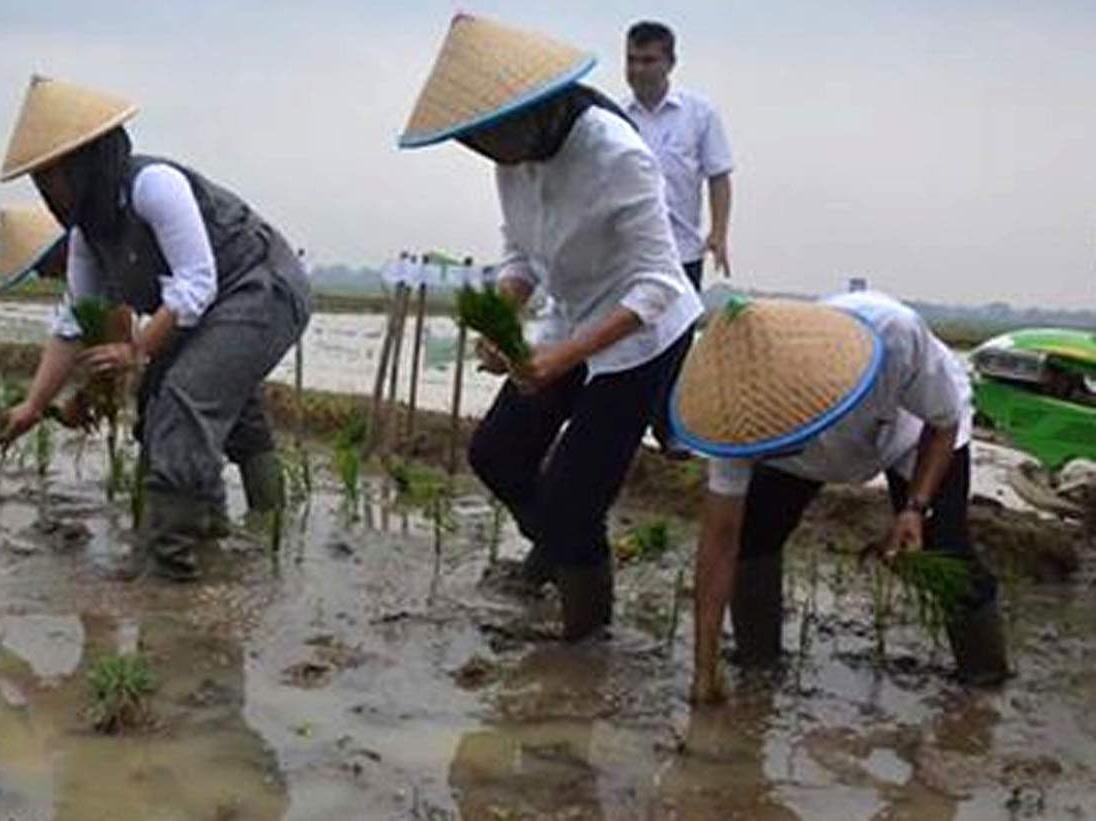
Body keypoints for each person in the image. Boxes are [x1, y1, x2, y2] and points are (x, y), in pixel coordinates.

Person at [399, 14, 702, 640]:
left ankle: (585, 638)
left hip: (642, 338)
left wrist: (564, 358)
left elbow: (659, 285)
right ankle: (561, 550)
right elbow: (523, 255)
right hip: (572, 317)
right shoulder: (514, 157)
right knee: (498, 454)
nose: (486, 152)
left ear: (535, 111)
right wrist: (504, 315)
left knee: (573, 501)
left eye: (490, 139)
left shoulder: (619, 157)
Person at [0, 76, 311, 581]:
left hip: (259, 286)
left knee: (186, 398)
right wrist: (33, 405)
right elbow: (76, 320)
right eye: (40, 181)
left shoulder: (153, 185)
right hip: (204, 310)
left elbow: (196, 281)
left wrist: (136, 350)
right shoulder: (88, 236)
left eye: (53, 177)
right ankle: (209, 541)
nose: (49, 193)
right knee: (169, 402)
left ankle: (168, 571)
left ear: (87, 162)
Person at [672, 293, 1010, 705]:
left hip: (912, 431)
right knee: (752, 538)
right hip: (795, 452)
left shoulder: (895, 336)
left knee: (946, 549)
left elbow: (943, 421)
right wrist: (704, 668)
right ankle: (756, 664)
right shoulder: (737, 417)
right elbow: (720, 542)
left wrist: (914, 508)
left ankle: (984, 683)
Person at [622, 20, 735, 457]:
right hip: (629, 251)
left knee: (676, 341)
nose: (639, 69)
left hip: (682, 249)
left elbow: (719, 176)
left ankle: (668, 429)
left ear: (670, 62)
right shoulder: (616, 117)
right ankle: (627, 425)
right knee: (630, 339)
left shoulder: (699, 114)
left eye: (649, 60)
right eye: (632, 59)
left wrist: (719, 233)